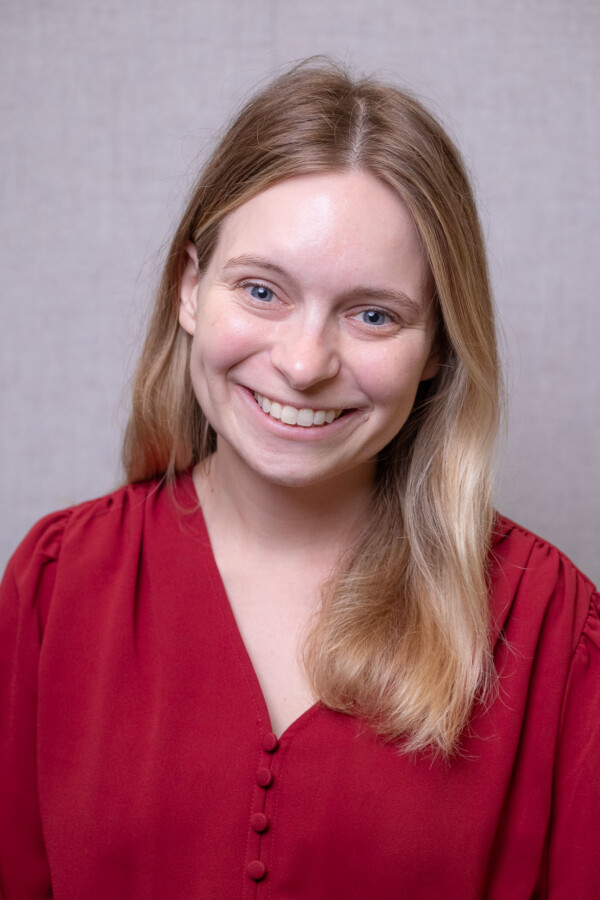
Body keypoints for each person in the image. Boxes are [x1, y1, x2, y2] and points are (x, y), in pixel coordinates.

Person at [0, 59, 598, 899]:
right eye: (262, 290)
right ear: (188, 288)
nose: (304, 363)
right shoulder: (56, 587)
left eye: (374, 314)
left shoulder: (551, 630)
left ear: (436, 352)